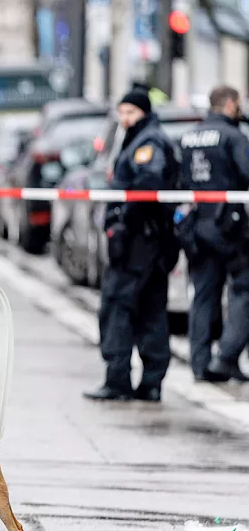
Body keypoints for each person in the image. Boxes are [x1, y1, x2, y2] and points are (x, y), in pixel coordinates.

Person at [85, 88, 180, 402]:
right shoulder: (143, 139)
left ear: (144, 112)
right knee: (151, 309)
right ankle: (151, 383)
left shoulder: (148, 143)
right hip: (152, 241)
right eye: (122, 112)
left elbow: (147, 184)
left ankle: (118, 380)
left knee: (118, 306)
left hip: (140, 242)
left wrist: (124, 222)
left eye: (131, 113)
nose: (125, 119)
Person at [178, 86, 249, 382]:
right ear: (231, 104)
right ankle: (227, 357)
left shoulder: (190, 136)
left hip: (197, 225)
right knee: (244, 288)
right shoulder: (233, 137)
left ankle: (200, 363)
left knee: (204, 294)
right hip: (229, 227)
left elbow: (181, 180)